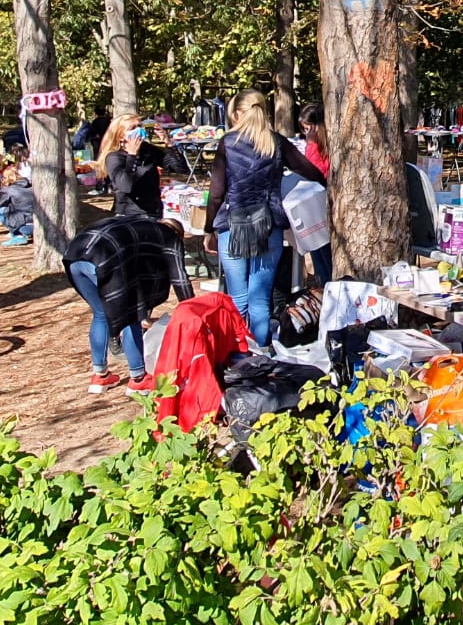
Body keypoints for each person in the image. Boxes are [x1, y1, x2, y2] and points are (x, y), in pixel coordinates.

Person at [201, 89, 324, 348]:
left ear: (237, 115)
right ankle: (262, 351)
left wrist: (208, 228)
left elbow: (216, 193)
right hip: (269, 226)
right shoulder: (276, 142)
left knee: (238, 298)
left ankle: (237, 351)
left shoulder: (228, 142)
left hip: (232, 226)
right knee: (260, 298)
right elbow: (309, 170)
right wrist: (326, 183)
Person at [64, 214, 190, 395]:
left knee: (100, 313)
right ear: (178, 235)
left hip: (76, 255)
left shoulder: (142, 226)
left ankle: (100, 376)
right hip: (104, 256)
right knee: (132, 315)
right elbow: (180, 278)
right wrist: (192, 308)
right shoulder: (169, 237)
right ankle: (138, 379)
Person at [100, 113, 170, 219]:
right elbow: (125, 186)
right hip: (130, 215)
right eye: (132, 128)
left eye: (139, 126)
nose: (138, 130)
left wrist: (168, 143)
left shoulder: (147, 150)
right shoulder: (114, 157)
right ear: (121, 136)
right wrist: (132, 155)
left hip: (154, 211)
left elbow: (179, 168)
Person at [296, 103, 334, 285]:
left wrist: (311, 146)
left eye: (309, 129)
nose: (307, 134)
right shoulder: (313, 146)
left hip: (325, 210)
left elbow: (317, 172)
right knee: (318, 257)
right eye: (304, 130)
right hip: (313, 210)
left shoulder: (326, 147)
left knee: (326, 259)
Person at [0, 163, 34, 245]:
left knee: (1, 210)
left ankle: (17, 235)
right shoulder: (32, 188)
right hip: (38, 222)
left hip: (22, 224)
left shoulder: (7, 190)